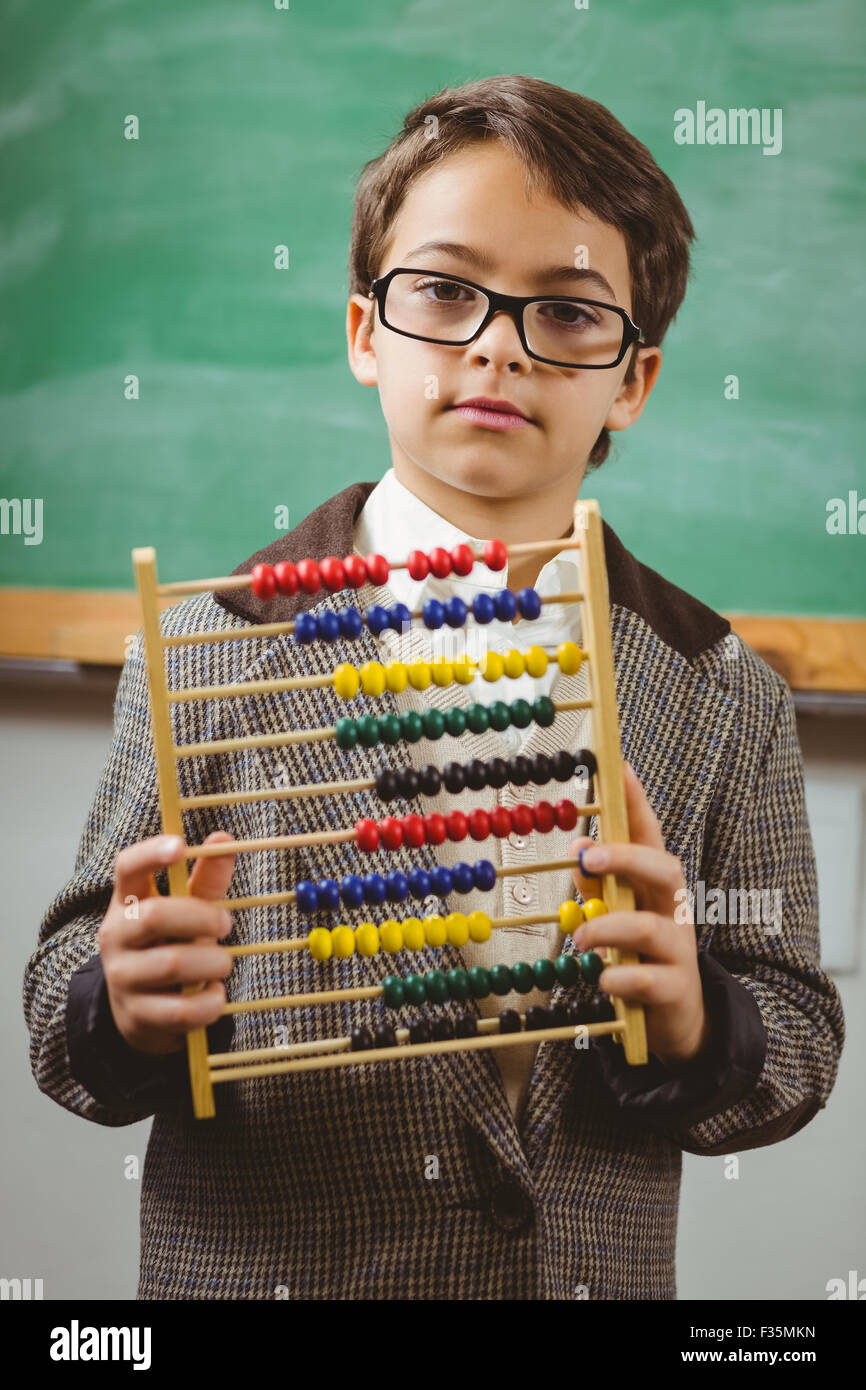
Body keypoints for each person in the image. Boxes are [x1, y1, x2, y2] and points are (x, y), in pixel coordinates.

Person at [24, 75, 844, 1300]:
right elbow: (59, 1007)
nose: (496, 345)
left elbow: (794, 1034)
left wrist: (695, 1018)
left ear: (632, 379)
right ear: (365, 332)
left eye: (566, 313)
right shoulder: (207, 647)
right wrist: (121, 1001)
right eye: (445, 292)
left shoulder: (717, 690)